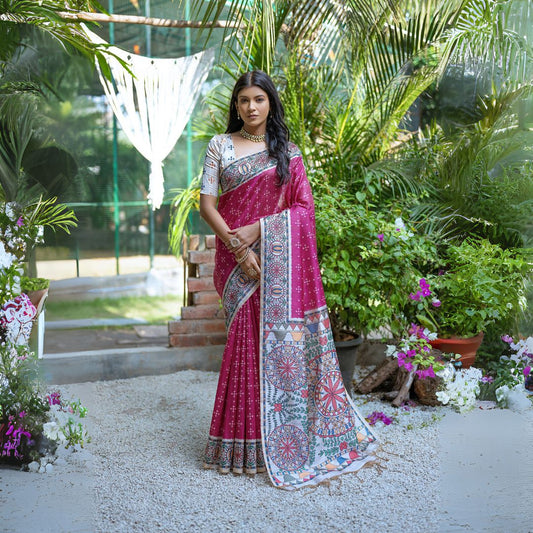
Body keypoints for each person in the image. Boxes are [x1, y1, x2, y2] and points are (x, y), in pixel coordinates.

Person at [200, 70, 377, 490]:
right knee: (244, 344)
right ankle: (238, 444)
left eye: (259, 99)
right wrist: (239, 249)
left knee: (275, 348)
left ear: (270, 104)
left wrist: (259, 230)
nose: (251, 107)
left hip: (277, 261)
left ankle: (278, 441)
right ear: (236, 106)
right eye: (243, 100)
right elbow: (207, 205)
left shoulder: (288, 153)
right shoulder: (220, 146)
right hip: (236, 261)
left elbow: (303, 210)